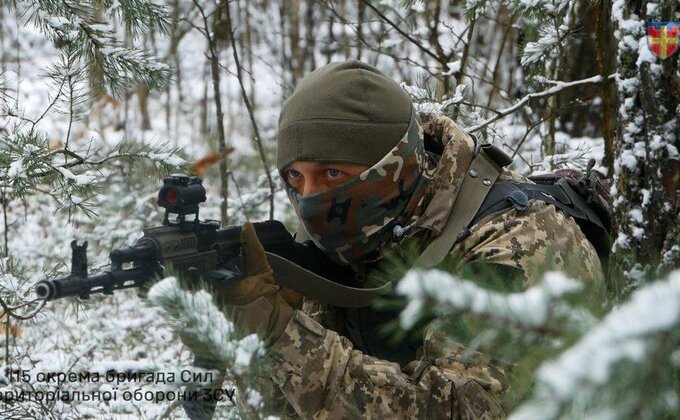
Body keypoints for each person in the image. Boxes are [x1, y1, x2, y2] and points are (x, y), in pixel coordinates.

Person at [201, 61, 603, 418]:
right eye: (295, 177)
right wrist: (241, 336)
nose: (309, 198)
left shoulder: (521, 239)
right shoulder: (356, 230)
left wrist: (284, 334)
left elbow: (460, 409)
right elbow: (293, 404)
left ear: (390, 167)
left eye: (332, 175)